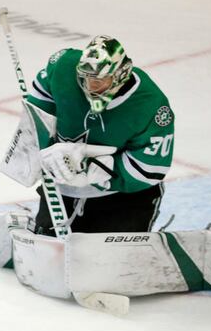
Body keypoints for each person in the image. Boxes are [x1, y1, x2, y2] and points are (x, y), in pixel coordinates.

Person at [26, 35, 174, 234]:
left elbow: (150, 168)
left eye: (99, 81)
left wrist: (90, 170)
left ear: (121, 74)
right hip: (63, 191)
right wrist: (46, 150)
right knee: (50, 256)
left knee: (113, 261)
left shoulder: (151, 106)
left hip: (122, 199)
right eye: (85, 79)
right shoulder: (64, 66)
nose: (90, 87)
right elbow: (39, 102)